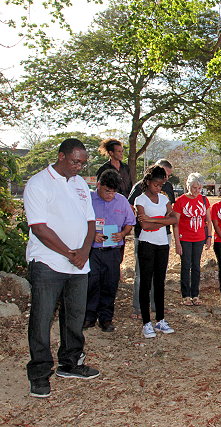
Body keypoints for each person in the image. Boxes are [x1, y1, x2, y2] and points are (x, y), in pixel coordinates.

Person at [24, 138, 99, 398]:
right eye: (75, 161)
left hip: (79, 263)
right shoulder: (38, 183)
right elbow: (39, 227)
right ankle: (39, 373)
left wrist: (85, 251)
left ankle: (70, 363)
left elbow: (91, 221)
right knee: (42, 319)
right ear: (61, 156)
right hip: (48, 262)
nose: (79, 167)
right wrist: (70, 253)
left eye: (83, 162)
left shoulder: (80, 184)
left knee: (75, 316)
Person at [84, 170, 135, 332]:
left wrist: (122, 234)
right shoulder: (88, 200)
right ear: (99, 185)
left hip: (113, 251)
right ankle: (89, 317)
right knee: (91, 283)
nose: (110, 195)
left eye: (113, 192)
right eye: (107, 191)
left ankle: (106, 318)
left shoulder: (122, 201)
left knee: (110, 284)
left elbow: (130, 223)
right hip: (93, 251)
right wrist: (92, 235)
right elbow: (79, 222)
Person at [134, 165, 178, 338]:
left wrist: (154, 220)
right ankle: (146, 322)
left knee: (160, 282)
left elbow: (175, 218)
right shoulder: (141, 199)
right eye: (155, 185)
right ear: (148, 182)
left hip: (162, 244)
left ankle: (160, 319)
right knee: (146, 282)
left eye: (161, 185)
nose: (158, 188)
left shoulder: (164, 199)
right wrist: (163, 220)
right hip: (146, 243)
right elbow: (143, 225)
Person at [173, 173, 211, 306]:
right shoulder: (180, 201)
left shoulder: (204, 200)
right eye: (194, 187)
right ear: (188, 185)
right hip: (185, 238)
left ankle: (195, 294)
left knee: (196, 266)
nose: (197, 191)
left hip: (199, 237)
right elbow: (175, 223)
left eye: (199, 188)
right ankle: (186, 295)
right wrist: (177, 242)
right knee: (186, 265)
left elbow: (208, 221)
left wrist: (209, 237)